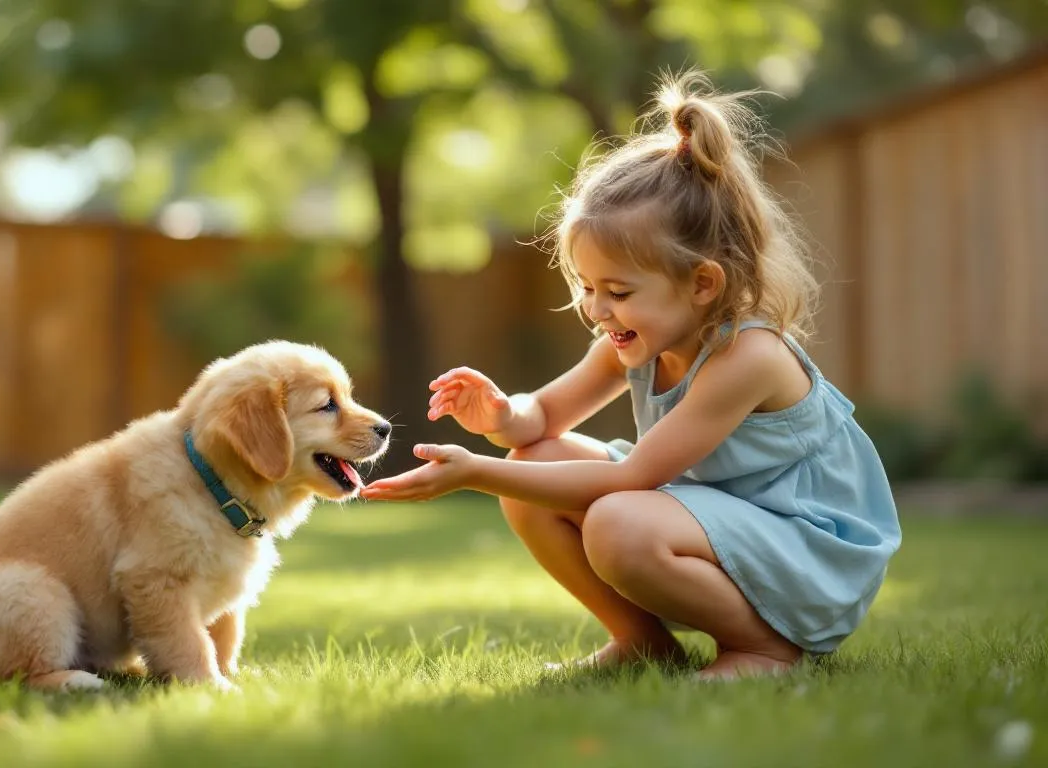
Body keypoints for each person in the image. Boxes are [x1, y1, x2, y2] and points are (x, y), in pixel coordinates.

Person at [359, 72, 902, 680]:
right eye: (588, 288)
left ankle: (765, 650)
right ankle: (642, 642)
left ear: (702, 283)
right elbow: (541, 421)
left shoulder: (747, 356)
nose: (595, 309)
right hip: (719, 519)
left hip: (807, 552)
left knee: (617, 520)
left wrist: (477, 474)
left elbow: (634, 477)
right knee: (534, 462)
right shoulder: (631, 344)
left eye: (617, 291)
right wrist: (501, 416)